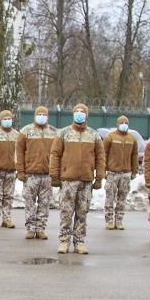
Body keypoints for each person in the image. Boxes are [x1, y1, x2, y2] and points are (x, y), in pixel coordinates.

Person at [49, 103, 104, 255]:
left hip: (86, 181)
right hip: (68, 180)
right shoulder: (63, 133)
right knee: (66, 211)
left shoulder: (94, 135)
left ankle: (79, 241)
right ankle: (64, 241)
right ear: (73, 114)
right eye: (77, 111)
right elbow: (55, 155)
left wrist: (99, 177)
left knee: (82, 212)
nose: (79, 114)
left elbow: (100, 157)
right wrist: (54, 176)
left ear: (87, 115)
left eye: (82, 112)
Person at [17, 107, 60, 240]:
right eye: (39, 114)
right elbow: (19, 152)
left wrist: (56, 173)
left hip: (47, 175)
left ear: (48, 116)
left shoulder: (54, 132)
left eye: (44, 114)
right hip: (30, 174)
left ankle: (41, 228)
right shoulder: (26, 131)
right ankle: (30, 228)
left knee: (45, 202)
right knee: (29, 202)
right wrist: (20, 171)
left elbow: (58, 153)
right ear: (35, 116)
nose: (42, 116)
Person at [102, 115, 138, 231]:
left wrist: (134, 171)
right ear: (117, 124)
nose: (124, 125)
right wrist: (103, 170)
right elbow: (103, 155)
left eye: (126, 123)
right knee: (110, 197)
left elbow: (134, 156)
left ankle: (119, 220)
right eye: (122, 122)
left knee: (122, 198)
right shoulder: (110, 137)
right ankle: (109, 220)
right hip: (112, 173)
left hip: (125, 173)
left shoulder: (132, 139)